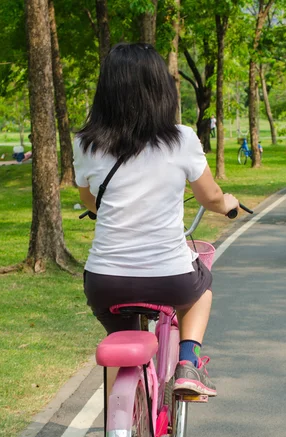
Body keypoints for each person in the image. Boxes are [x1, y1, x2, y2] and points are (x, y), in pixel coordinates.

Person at [73, 42, 239, 399]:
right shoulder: (182, 140)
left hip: (105, 281)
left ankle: (115, 435)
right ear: (160, 89)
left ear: (107, 91)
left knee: (118, 336)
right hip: (171, 279)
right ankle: (189, 363)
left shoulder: (85, 143)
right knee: (202, 289)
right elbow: (210, 197)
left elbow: (89, 199)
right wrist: (228, 204)